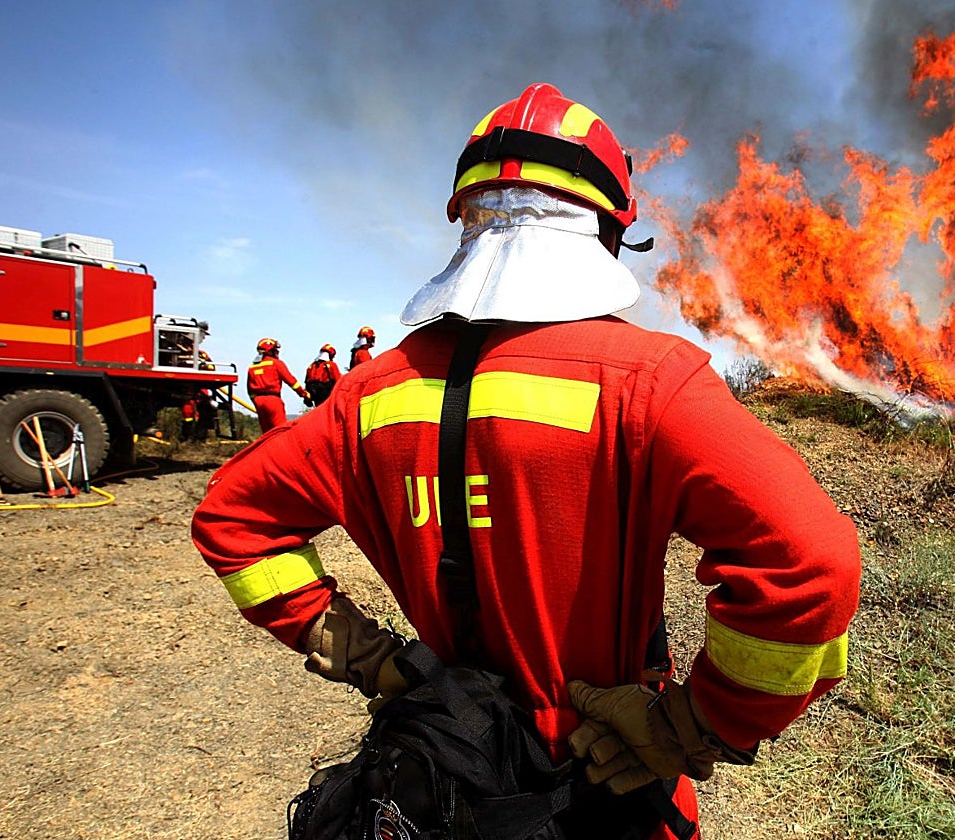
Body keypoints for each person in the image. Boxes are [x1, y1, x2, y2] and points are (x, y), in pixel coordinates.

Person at [193, 83, 861, 838]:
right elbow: (810, 563)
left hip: (442, 777)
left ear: (465, 220)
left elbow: (232, 517)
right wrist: (694, 723)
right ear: (607, 229)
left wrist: (373, 660)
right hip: (604, 781)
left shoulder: (370, 392)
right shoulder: (649, 383)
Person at [246, 337, 308, 434]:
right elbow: (291, 381)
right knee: (280, 432)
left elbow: (249, 390)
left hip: (258, 402)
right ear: (270, 350)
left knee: (267, 434)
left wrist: (255, 401)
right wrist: (304, 394)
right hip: (273, 400)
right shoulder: (276, 363)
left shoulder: (252, 367)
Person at [303, 343, 342, 408]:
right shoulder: (331, 365)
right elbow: (338, 380)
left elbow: (307, 382)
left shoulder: (312, 366)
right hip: (326, 394)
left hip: (314, 395)